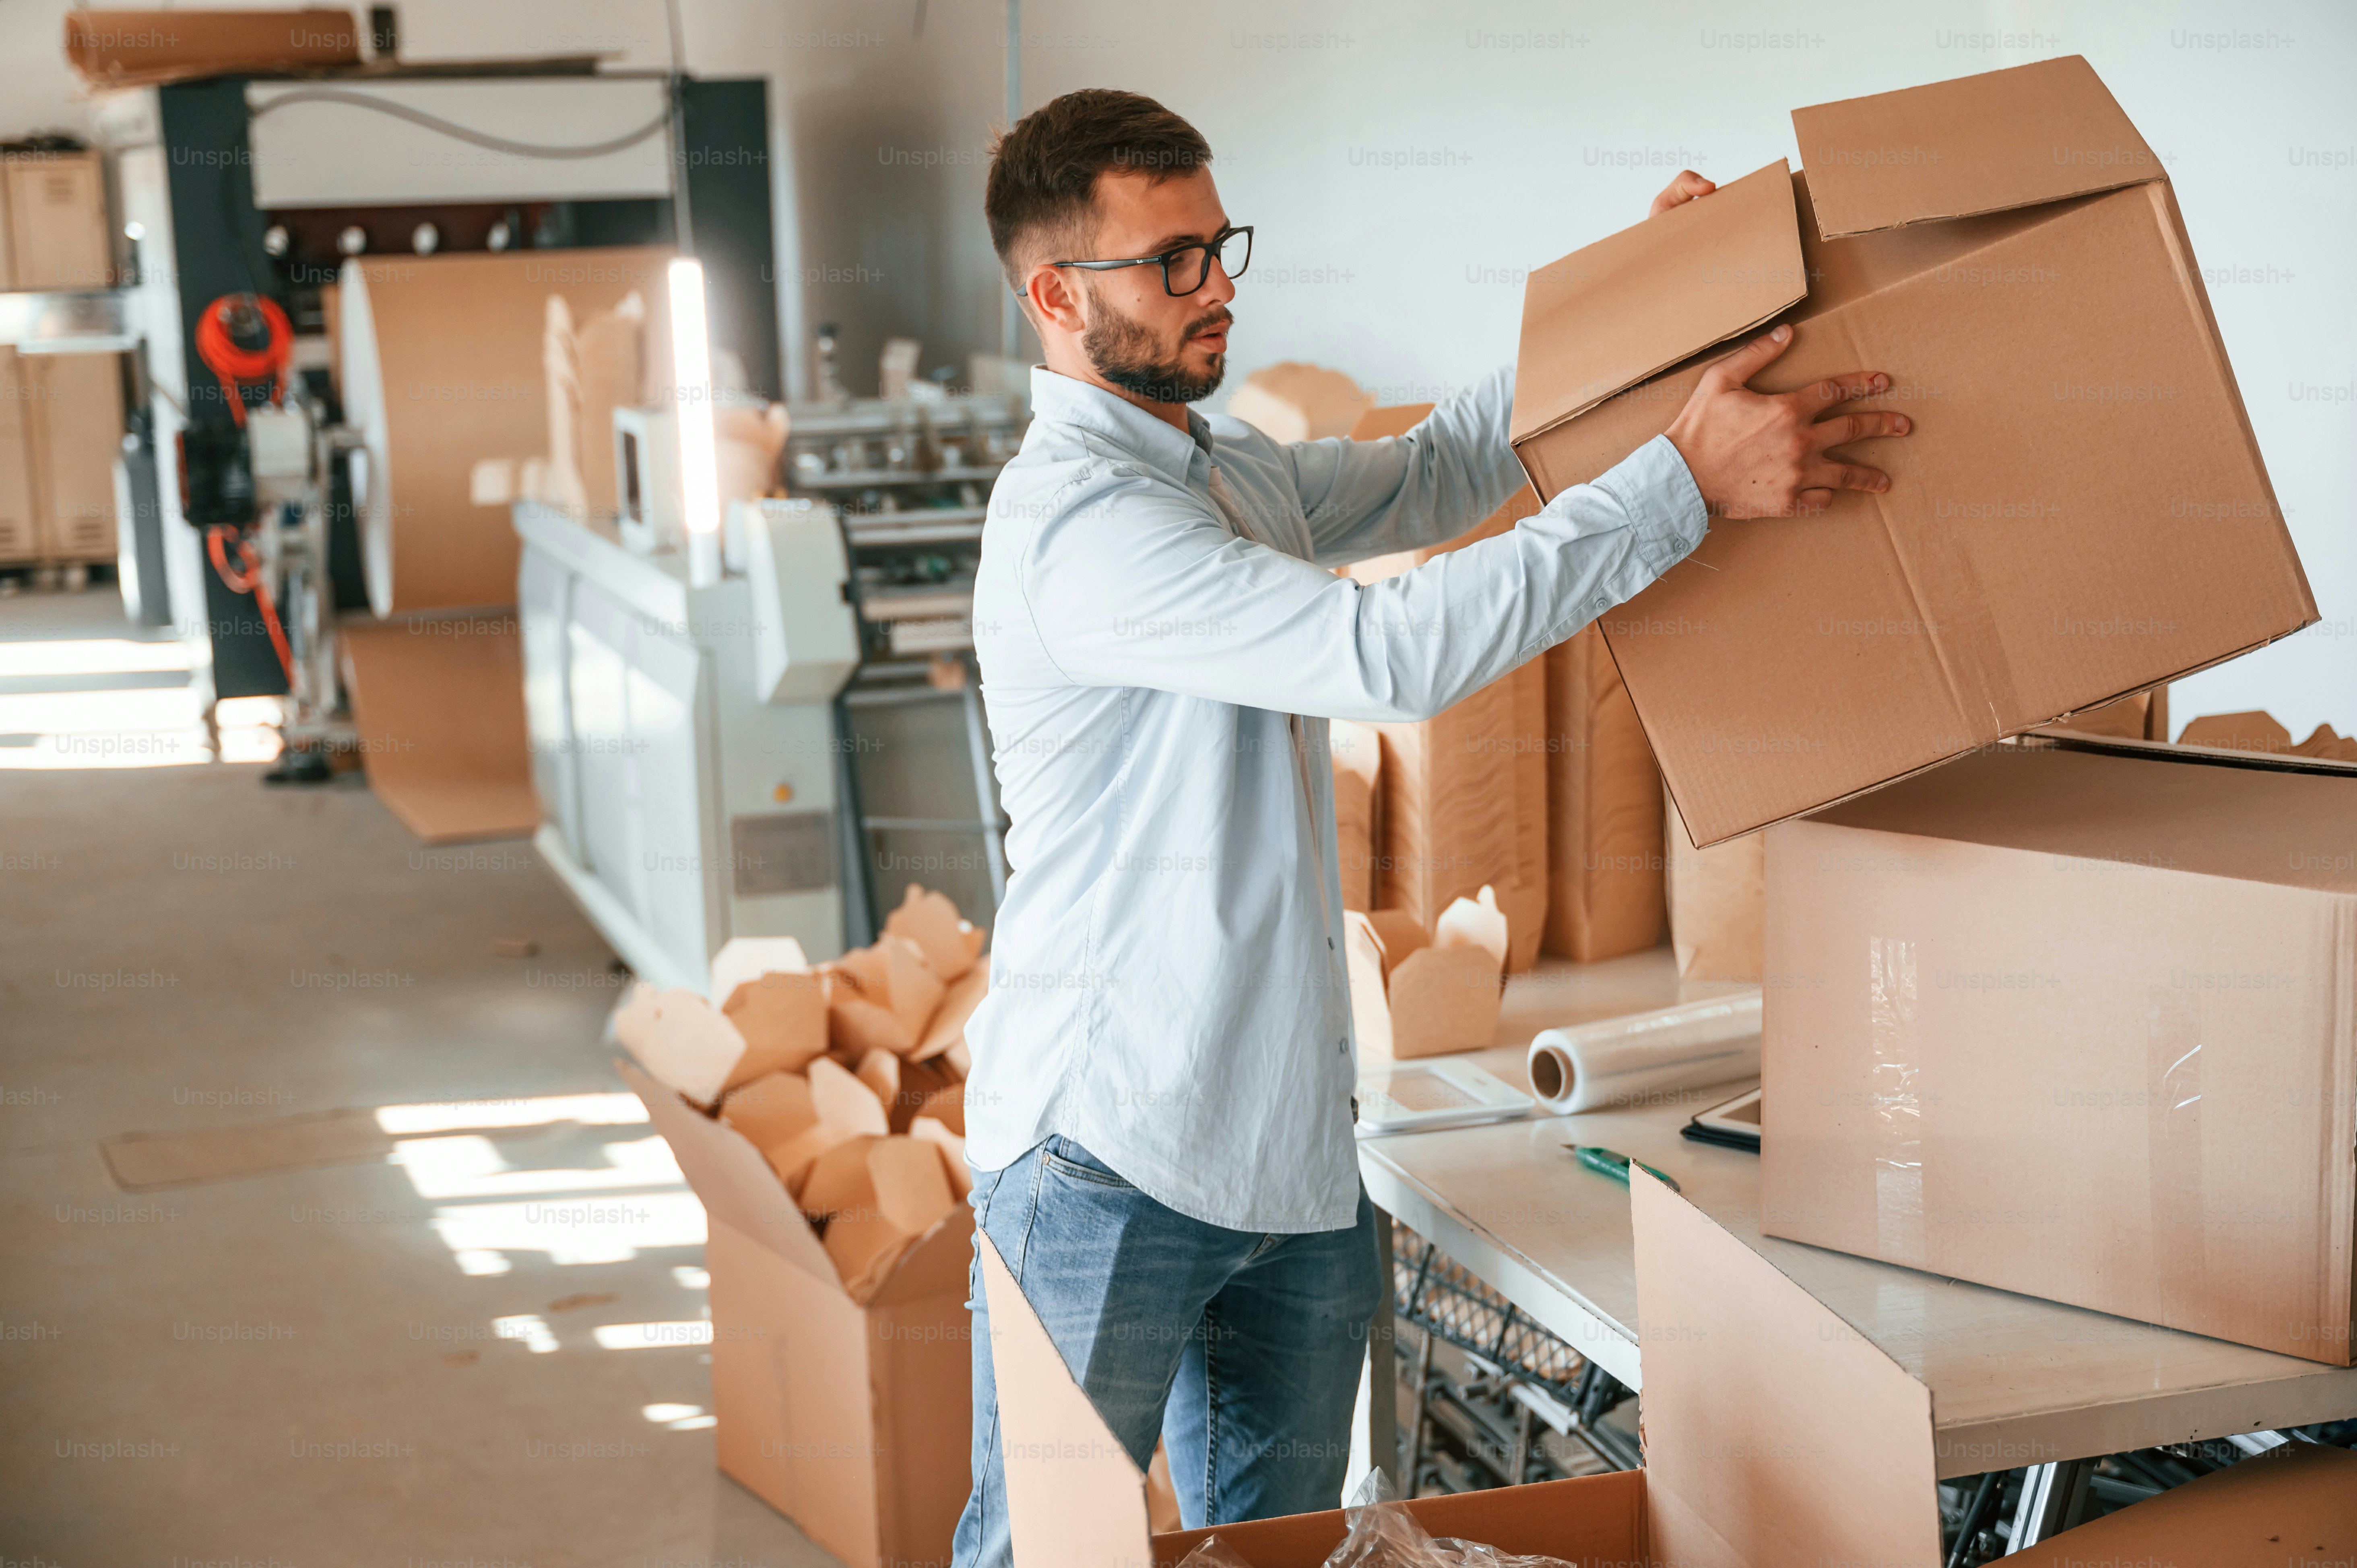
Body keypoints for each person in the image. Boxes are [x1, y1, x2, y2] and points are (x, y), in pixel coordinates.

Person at [951, 88, 1909, 1565]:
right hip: (1108, 1155)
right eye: (1174, 264)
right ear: (1057, 294)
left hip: (1283, 1150)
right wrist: (1679, 487)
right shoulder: (1083, 528)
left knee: (1271, 1555)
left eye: (1221, 247)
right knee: (1042, 1556)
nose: (1218, 290)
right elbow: (1383, 655)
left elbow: (1446, 467)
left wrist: (1633, 310)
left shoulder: (1220, 471)